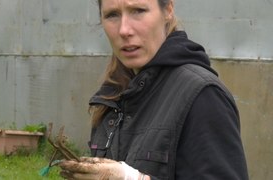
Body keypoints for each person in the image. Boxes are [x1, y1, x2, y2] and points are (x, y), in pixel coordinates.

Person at [59, 0, 249, 179]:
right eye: (112, 15)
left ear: (168, 10)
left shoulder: (202, 95)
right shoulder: (114, 94)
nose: (124, 30)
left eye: (138, 11)